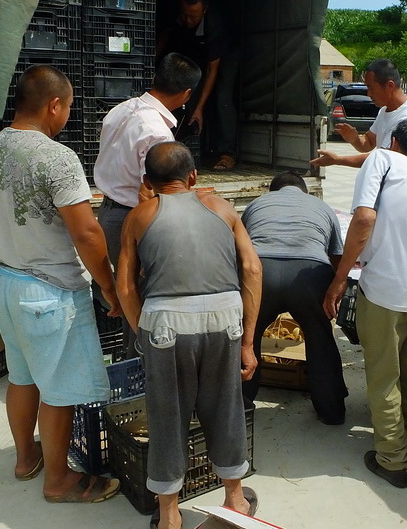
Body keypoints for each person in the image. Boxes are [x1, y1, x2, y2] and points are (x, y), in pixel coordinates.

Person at [0, 65, 121, 503]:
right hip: (49, 290)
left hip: (6, 280)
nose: (68, 116)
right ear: (53, 104)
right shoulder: (56, 158)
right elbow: (87, 233)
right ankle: (58, 481)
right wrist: (111, 286)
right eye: (70, 107)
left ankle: (27, 459)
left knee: (22, 377)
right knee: (58, 390)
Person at [116, 142, 261, 529]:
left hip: (166, 323)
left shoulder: (139, 215)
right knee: (226, 408)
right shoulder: (222, 207)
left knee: (167, 417)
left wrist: (142, 331)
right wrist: (247, 341)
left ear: (148, 182)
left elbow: (126, 287)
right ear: (193, 177)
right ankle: (235, 498)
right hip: (225, 317)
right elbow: (251, 269)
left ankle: (169, 515)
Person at [323, 119, 407, 489]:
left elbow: (363, 218)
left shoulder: (383, 159)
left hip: (388, 286)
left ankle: (392, 459)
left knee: (384, 373)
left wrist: (340, 275)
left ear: (393, 142)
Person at [93, 53, 201, 354]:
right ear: (186, 95)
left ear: (155, 78)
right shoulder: (157, 132)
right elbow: (150, 191)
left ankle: (132, 363)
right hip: (134, 216)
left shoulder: (120, 110)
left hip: (110, 210)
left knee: (128, 293)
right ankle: (141, 367)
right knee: (141, 297)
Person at [241, 171, 348, 424]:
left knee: (248, 338)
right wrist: (333, 287)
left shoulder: (256, 204)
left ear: (272, 191)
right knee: (320, 339)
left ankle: (240, 409)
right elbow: (336, 257)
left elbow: (242, 251)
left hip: (260, 275)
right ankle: (331, 411)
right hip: (308, 277)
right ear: (304, 191)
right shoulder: (322, 207)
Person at [156, 0, 235, 170]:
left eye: (194, 16)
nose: (188, 20)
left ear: (205, 10)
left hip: (225, 55)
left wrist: (199, 108)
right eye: (185, 15)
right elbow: (164, 37)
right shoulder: (177, 17)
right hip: (196, 49)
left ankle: (227, 152)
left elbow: (212, 69)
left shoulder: (216, 26)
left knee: (222, 97)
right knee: (188, 89)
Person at [311, 59, 407, 169]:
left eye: (371, 88)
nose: (368, 94)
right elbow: (369, 142)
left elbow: (382, 159)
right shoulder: (385, 110)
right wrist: (355, 139)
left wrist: (338, 160)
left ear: (390, 85)